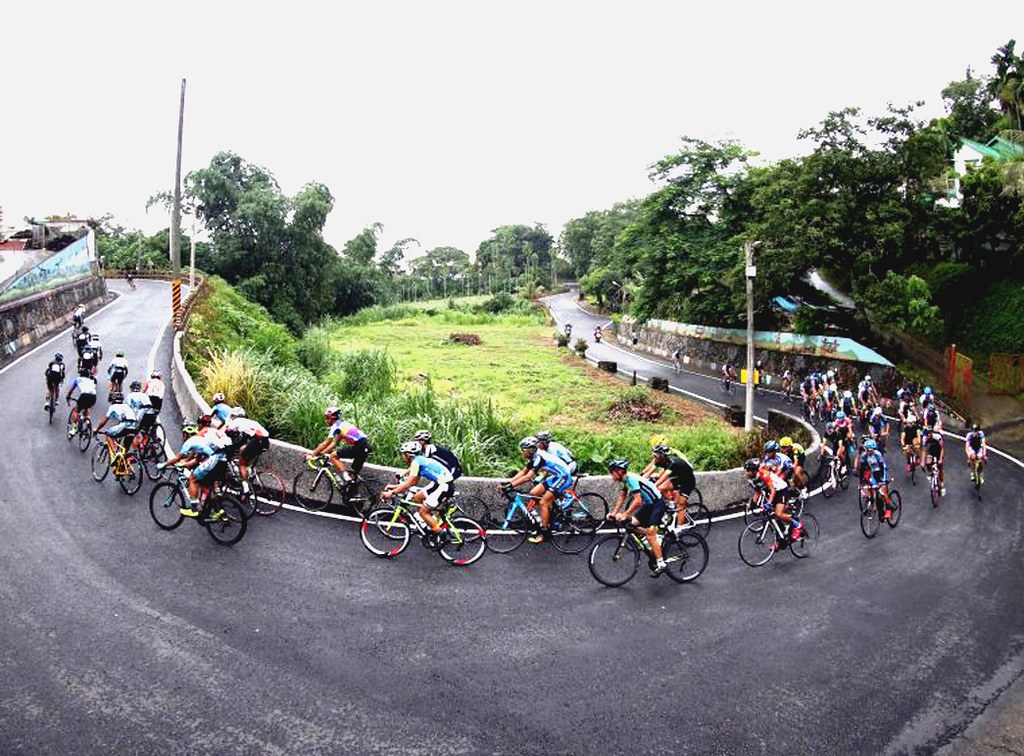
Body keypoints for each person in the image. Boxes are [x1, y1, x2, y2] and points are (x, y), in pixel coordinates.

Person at [503, 436, 572, 544]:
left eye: (523, 450)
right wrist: (508, 483)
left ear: (530, 450)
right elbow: (523, 472)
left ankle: (544, 534)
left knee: (543, 502)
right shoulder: (534, 456)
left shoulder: (539, 457)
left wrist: (510, 486)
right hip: (556, 476)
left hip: (564, 477)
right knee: (533, 493)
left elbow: (528, 477)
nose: (522, 453)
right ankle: (546, 516)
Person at [383, 441, 456, 542]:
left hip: (444, 486)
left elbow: (409, 483)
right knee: (417, 497)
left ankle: (440, 534)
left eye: (403, 454)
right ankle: (427, 523)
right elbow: (413, 482)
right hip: (438, 484)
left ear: (408, 455)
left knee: (423, 512)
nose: (402, 457)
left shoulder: (416, 463)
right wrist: (394, 487)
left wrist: (392, 492)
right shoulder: (419, 460)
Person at [607, 459, 669, 576]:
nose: (611, 475)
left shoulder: (631, 479)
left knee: (650, 534)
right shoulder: (625, 481)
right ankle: (651, 541)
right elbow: (622, 497)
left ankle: (661, 563)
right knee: (630, 524)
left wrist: (625, 514)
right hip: (648, 505)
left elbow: (638, 501)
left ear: (619, 472)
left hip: (657, 504)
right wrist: (614, 513)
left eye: (612, 472)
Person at [161, 415, 227, 516]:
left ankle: (194, 509)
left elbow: (179, 458)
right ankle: (219, 511)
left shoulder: (193, 440)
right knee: (210, 485)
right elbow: (196, 459)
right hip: (224, 459)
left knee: (193, 479)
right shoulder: (210, 433)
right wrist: (185, 464)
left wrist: (164, 464)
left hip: (213, 460)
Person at [744, 457, 803, 542]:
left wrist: (769, 503)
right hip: (773, 491)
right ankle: (781, 537)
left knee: (778, 514)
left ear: (753, 471)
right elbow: (758, 491)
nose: (746, 472)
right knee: (771, 515)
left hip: (781, 490)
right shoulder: (753, 478)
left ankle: (797, 525)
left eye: (747, 470)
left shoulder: (764, 474)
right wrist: (753, 503)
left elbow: (773, 490)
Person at [307, 407, 371, 481]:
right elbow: (334, 443)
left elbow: (326, 443)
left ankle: (345, 477)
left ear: (332, 418)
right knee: (353, 475)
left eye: (327, 418)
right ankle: (351, 486)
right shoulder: (343, 425)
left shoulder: (336, 426)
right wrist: (322, 453)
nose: (326, 421)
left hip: (360, 445)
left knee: (333, 456)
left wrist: (312, 454)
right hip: (365, 446)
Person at [650, 444, 697, 534]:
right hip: (678, 479)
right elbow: (653, 471)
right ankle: (672, 504)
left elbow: (664, 477)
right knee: (661, 488)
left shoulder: (673, 463)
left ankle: (679, 529)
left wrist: (652, 486)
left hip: (687, 482)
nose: (654, 457)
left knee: (681, 505)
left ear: (662, 456)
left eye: (655, 456)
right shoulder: (661, 461)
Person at [225, 407, 270, 493]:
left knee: (241, 462)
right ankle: (248, 471)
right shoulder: (252, 421)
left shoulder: (235, 422)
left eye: (233, 416)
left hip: (256, 441)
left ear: (235, 416)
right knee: (244, 451)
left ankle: (246, 489)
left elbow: (228, 432)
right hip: (265, 442)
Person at [858, 438, 894, 518]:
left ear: (873, 450)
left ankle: (889, 507)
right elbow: (862, 469)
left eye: (869, 450)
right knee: (872, 488)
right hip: (873, 472)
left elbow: (881, 466)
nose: (867, 451)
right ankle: (875, 506)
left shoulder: (877, 454)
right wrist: (861, 481)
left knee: (882, 490)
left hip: (881, 471)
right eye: (866, 449)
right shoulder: (864, 456)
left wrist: (881, 481)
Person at [65, 369, 97, 437]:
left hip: (84, 395)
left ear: (80, 374)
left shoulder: (78, 379)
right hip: (93, 396)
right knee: (86, 407)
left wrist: (68, 396)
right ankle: (87, 420)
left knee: (76, 411)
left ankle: (74, 429)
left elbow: (71, 390)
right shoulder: (91, 380)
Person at [922, 429, 946, 495]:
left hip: (939, 450)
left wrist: (940, 459)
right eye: (927, 436)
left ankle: (941, 483)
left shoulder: (938, 437)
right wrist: (922, 462)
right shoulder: (925, 438)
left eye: (929, 435)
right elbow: (924, 451)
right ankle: (930, 473)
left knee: (940, 467)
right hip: (932, 450)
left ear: (931, 433)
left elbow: (942, 449)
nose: (928, 436)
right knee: (928, 461)